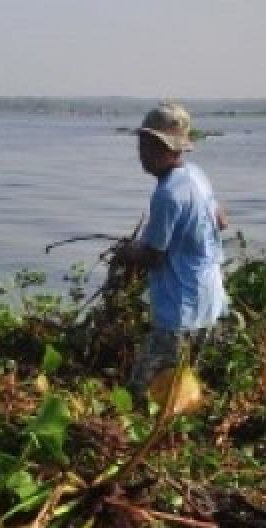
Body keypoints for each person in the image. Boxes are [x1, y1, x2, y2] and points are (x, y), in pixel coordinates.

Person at [113, 102, 230, 401]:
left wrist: (126, 253)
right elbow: (221, 219)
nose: (141, 152)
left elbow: (153, 256)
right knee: (183, 388)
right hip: (208, 302)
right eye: (141, 143)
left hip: (179, 312)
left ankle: (145, 442)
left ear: (165, 147)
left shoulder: (167, 194)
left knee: (140, 392)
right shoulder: (195, 175)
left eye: (148, 144)